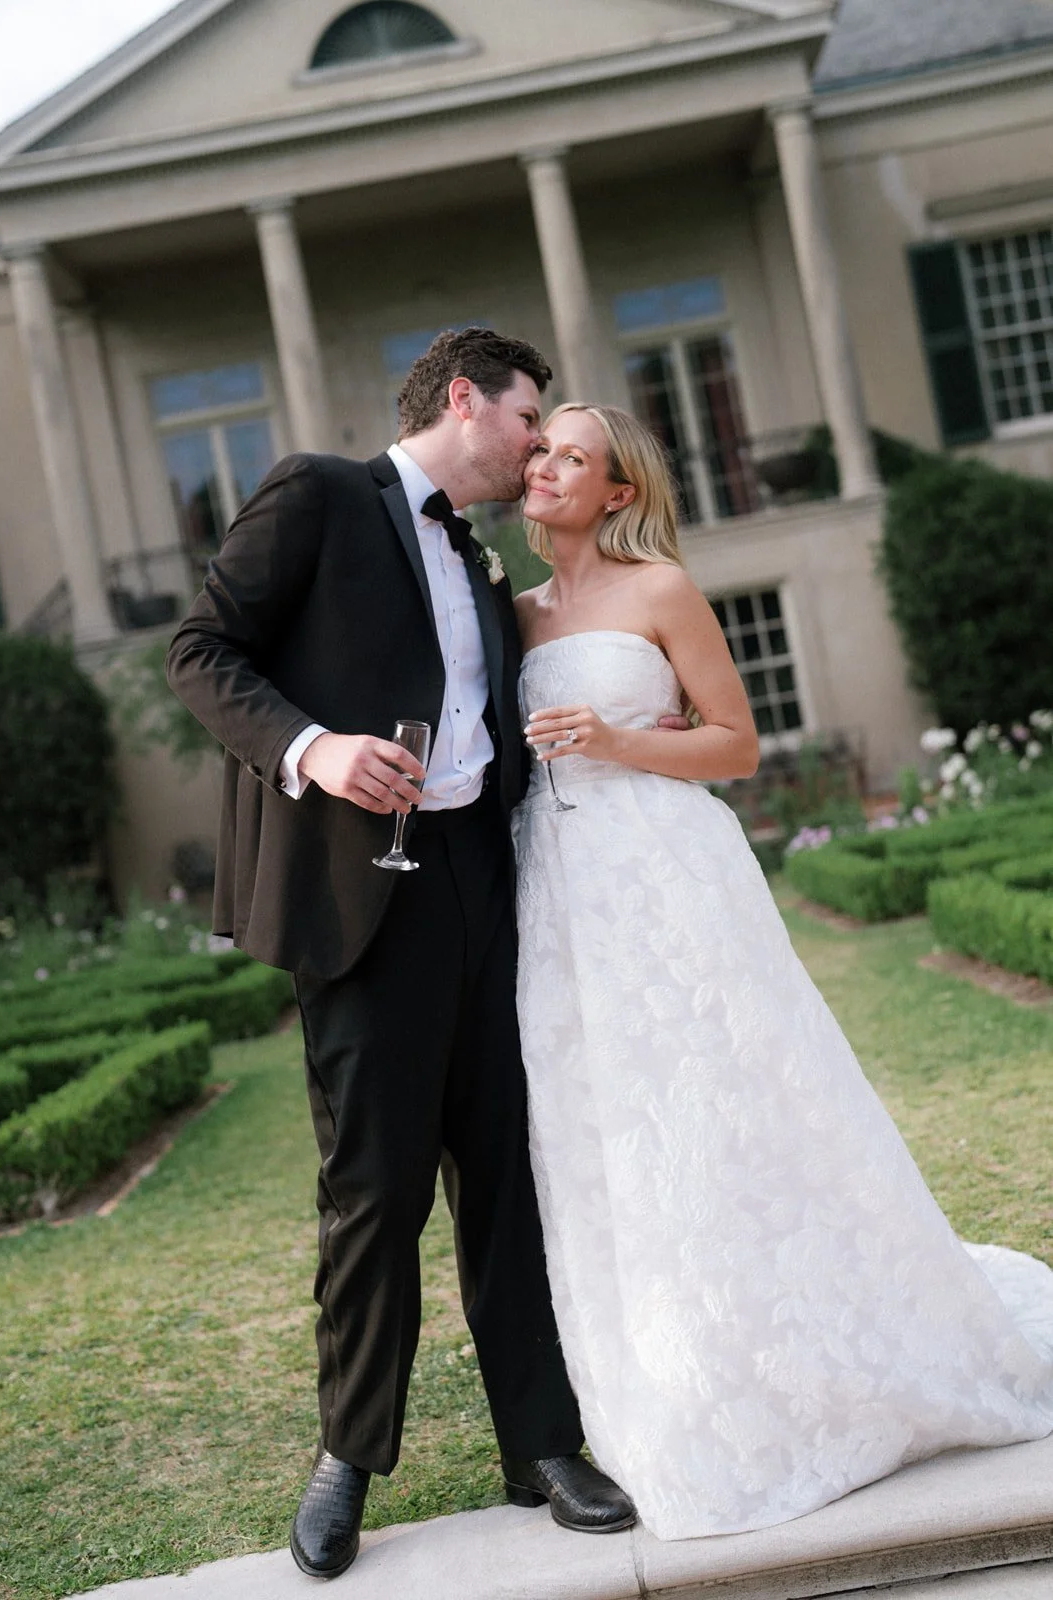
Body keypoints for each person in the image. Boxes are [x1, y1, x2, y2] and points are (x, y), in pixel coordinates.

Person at [511, 402, 1053, 1542]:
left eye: (570, 455)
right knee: (611, 1129)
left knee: (733, 1103)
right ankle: (682, 1366)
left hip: (667, 877)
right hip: (559, 895)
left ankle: (828, 1348)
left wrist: (614, 743)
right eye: (539, 448)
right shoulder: (508, 617)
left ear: (616, 492)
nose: (542, 465)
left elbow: (735, 744)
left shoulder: (656, 589)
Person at [165, 331, 642, 1582]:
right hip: (362, 899)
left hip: (483, 890)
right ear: (465, 401)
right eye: (527, 417)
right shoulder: (320, 493)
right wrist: (314, 748)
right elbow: (199, 651)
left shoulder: (482, 561)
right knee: (372, 1191)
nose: (538, 443)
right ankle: (346, 1458)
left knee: (505, 1176)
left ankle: (542, 1444)